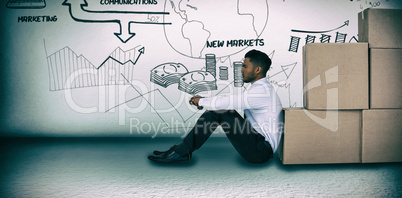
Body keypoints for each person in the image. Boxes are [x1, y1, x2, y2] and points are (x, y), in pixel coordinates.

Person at [148, 49, 284, 164]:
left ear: (258, 69)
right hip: (259, 145)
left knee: (220, 111)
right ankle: (180, 151)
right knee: (221, 109)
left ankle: (180, 152)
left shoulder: (262, 92)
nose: (241, 70)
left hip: (260, 151)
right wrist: (205, 101)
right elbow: (228, 100)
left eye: (245, 66)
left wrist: (201, 101)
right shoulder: (262, 89)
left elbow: (224, 103)